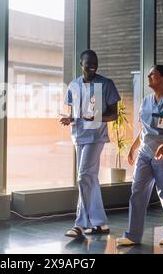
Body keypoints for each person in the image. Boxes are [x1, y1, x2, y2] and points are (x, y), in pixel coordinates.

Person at [116, 65, 163, 247]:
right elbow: (144, 129)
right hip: (145, 153)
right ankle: (133, 235)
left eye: (153, 74)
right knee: (137, 192)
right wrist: (133, 147)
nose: (149, 76)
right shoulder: (146, 101)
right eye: (148, 74)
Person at [60, 50, 121, 238]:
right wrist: (70, 119)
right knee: (90, 178)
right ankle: (100, 222)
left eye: (95, 62)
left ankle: (80, 223)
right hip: (78, 136)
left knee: (83, 176)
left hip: (96, 137)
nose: (93, 65)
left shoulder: (106, 84)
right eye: (89, 62)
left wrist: (97, 117)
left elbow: (114, 114)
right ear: (81, 64)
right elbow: (75, 112)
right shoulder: (73, 86)